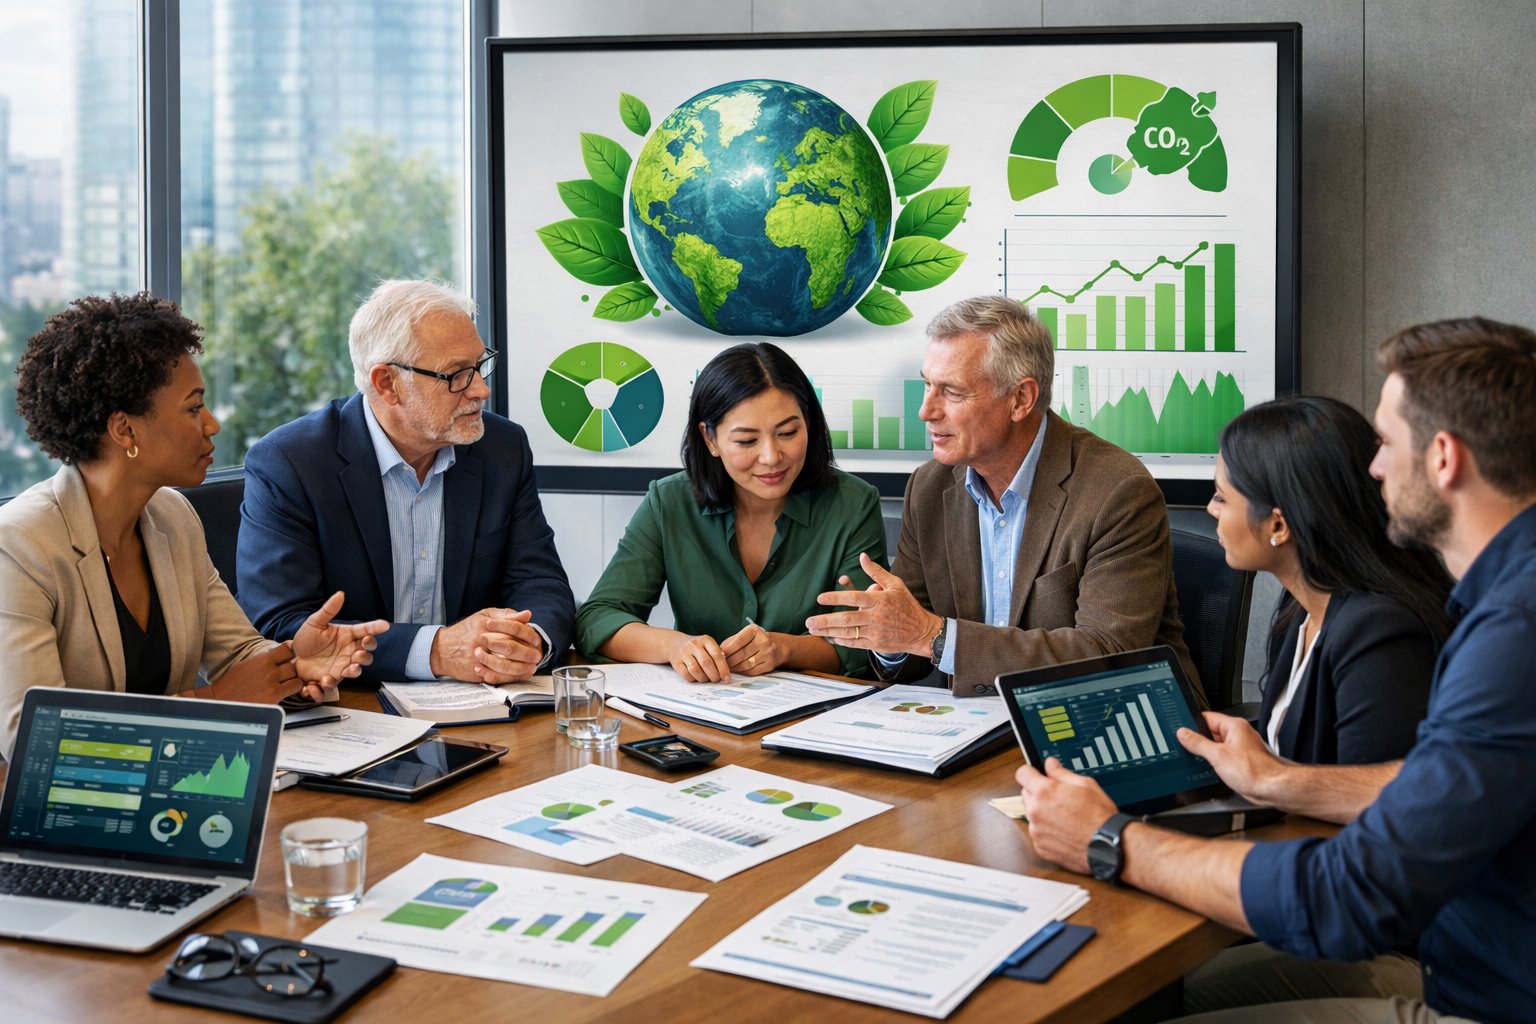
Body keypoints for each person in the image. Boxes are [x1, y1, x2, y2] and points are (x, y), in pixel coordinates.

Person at [1017, 317, 1536, 1024]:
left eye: (1386, 443)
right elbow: (1435, 782)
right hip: (1463, 958)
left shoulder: (1512, 634)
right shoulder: (1502, 601)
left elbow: (1349, 898)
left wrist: (1112, 841)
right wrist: (1277, 778)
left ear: (1443, 458)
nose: (1375, 467)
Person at [0, 293, 387, 760]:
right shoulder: (19, 545)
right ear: (125, 431)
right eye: (193, 408)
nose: (213, 424)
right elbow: (30, 736)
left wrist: (294, 662)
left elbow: (238, 653)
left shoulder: (172, 516)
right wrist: (216, 701)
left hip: (171, 796)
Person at [806, 294, 1198, 700]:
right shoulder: (929, 487)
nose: (926, 411)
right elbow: (915, 652)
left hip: (1110, 719)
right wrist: (890, 638)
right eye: (927, 385)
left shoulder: (1116, 491)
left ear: (1020, 399)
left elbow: (1106, 656)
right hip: (978, 724)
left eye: (952, 392)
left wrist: (934, 636)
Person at [237, 279, 575, 683]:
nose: (481, 389)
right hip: (348, 707)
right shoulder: (290, 462)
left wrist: (527, 643)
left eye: (480, 365)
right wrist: (435, 651)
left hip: (481, 702)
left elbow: (540, 581)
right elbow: (279, 623)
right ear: (387, 384)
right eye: (457, 375)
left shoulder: (503, 448)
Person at [576, 342, 885, 681]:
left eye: (787, 433)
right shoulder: (669, 501)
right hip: (700, 713)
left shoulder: (853, 504)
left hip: (813, 719)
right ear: (710, 439)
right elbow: (598, 618)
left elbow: (862, 643)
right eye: (746, 441)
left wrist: (782, 649)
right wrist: (674, 646)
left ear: (809, 424)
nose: (771, 456)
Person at [1210, 396, 1452, 763]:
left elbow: (1373, 803)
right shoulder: (1302, 604)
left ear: (1278, 524)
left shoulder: (1380, 632)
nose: (1211, 509)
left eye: (1221, 498)